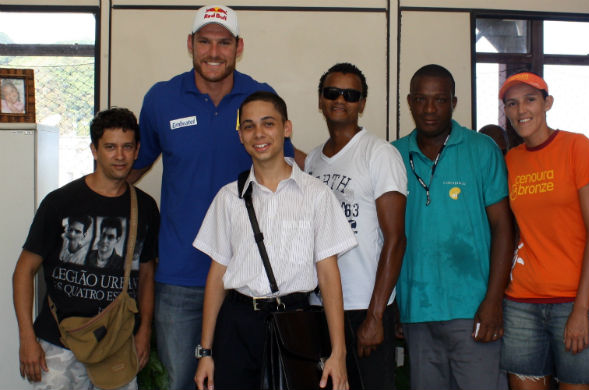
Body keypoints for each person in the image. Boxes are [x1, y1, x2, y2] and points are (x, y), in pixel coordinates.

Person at [127, 6, 302, 387]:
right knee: (182, 382)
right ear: (190, 44)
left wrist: (335, 170)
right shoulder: (161, 99)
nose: (213, 51)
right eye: (204, 41)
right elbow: (133, 166)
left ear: (239, 48)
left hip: (246, 280)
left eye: (224, 42)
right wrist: (84, 195)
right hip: (180, 276)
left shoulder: (259, 96)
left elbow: (287, 161)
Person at [192, 91, 356, 390]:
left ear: (286, 128)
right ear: (240, 135)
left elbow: (329, 276)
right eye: (249, 126)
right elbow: (217, 275)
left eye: (268, 123)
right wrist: (205, 352)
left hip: (294, 325)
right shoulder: (229, 198)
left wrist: (338, 353)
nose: (259, 134)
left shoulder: (317, 195)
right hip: (237, 327)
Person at [12, 107, 159, 390]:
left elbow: (147, 275)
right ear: (94, 149)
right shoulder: (60, 202)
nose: (119, 156)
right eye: (110, 147)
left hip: (117, 343)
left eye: (127, 147)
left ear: (138, 150)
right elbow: (23, 271)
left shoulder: (145, 207)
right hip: (58, 343)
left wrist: (144, 331)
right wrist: (27, 338)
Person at [391, 64, 514, 389]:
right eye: (421, 99)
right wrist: (396, 306)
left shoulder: (482, 150)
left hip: (473, 310)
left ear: (453, 102)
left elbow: (504, 229)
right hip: (417, 310)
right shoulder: (393, 156)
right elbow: (386, 237)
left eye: (440, 100)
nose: (429, 109)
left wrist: (493, 301)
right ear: (409, 101)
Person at [499, 72, 589, 389]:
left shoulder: (577, 146)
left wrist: (581, 309)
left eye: (530, 100)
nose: (522, 110)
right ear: (506, 111)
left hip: (575, 301)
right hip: (521, 303)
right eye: (512, 103)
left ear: (547, 103)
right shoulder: (511, 161)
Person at [305, 62, 407, 389]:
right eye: (332, 92)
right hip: (322, 306)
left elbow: (395, 240)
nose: (340, 100)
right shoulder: (313, 160)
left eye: (350, 94)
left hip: (365, 307)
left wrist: (376, 316)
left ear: (362, 104)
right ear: (320, 100)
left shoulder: (380, 154)